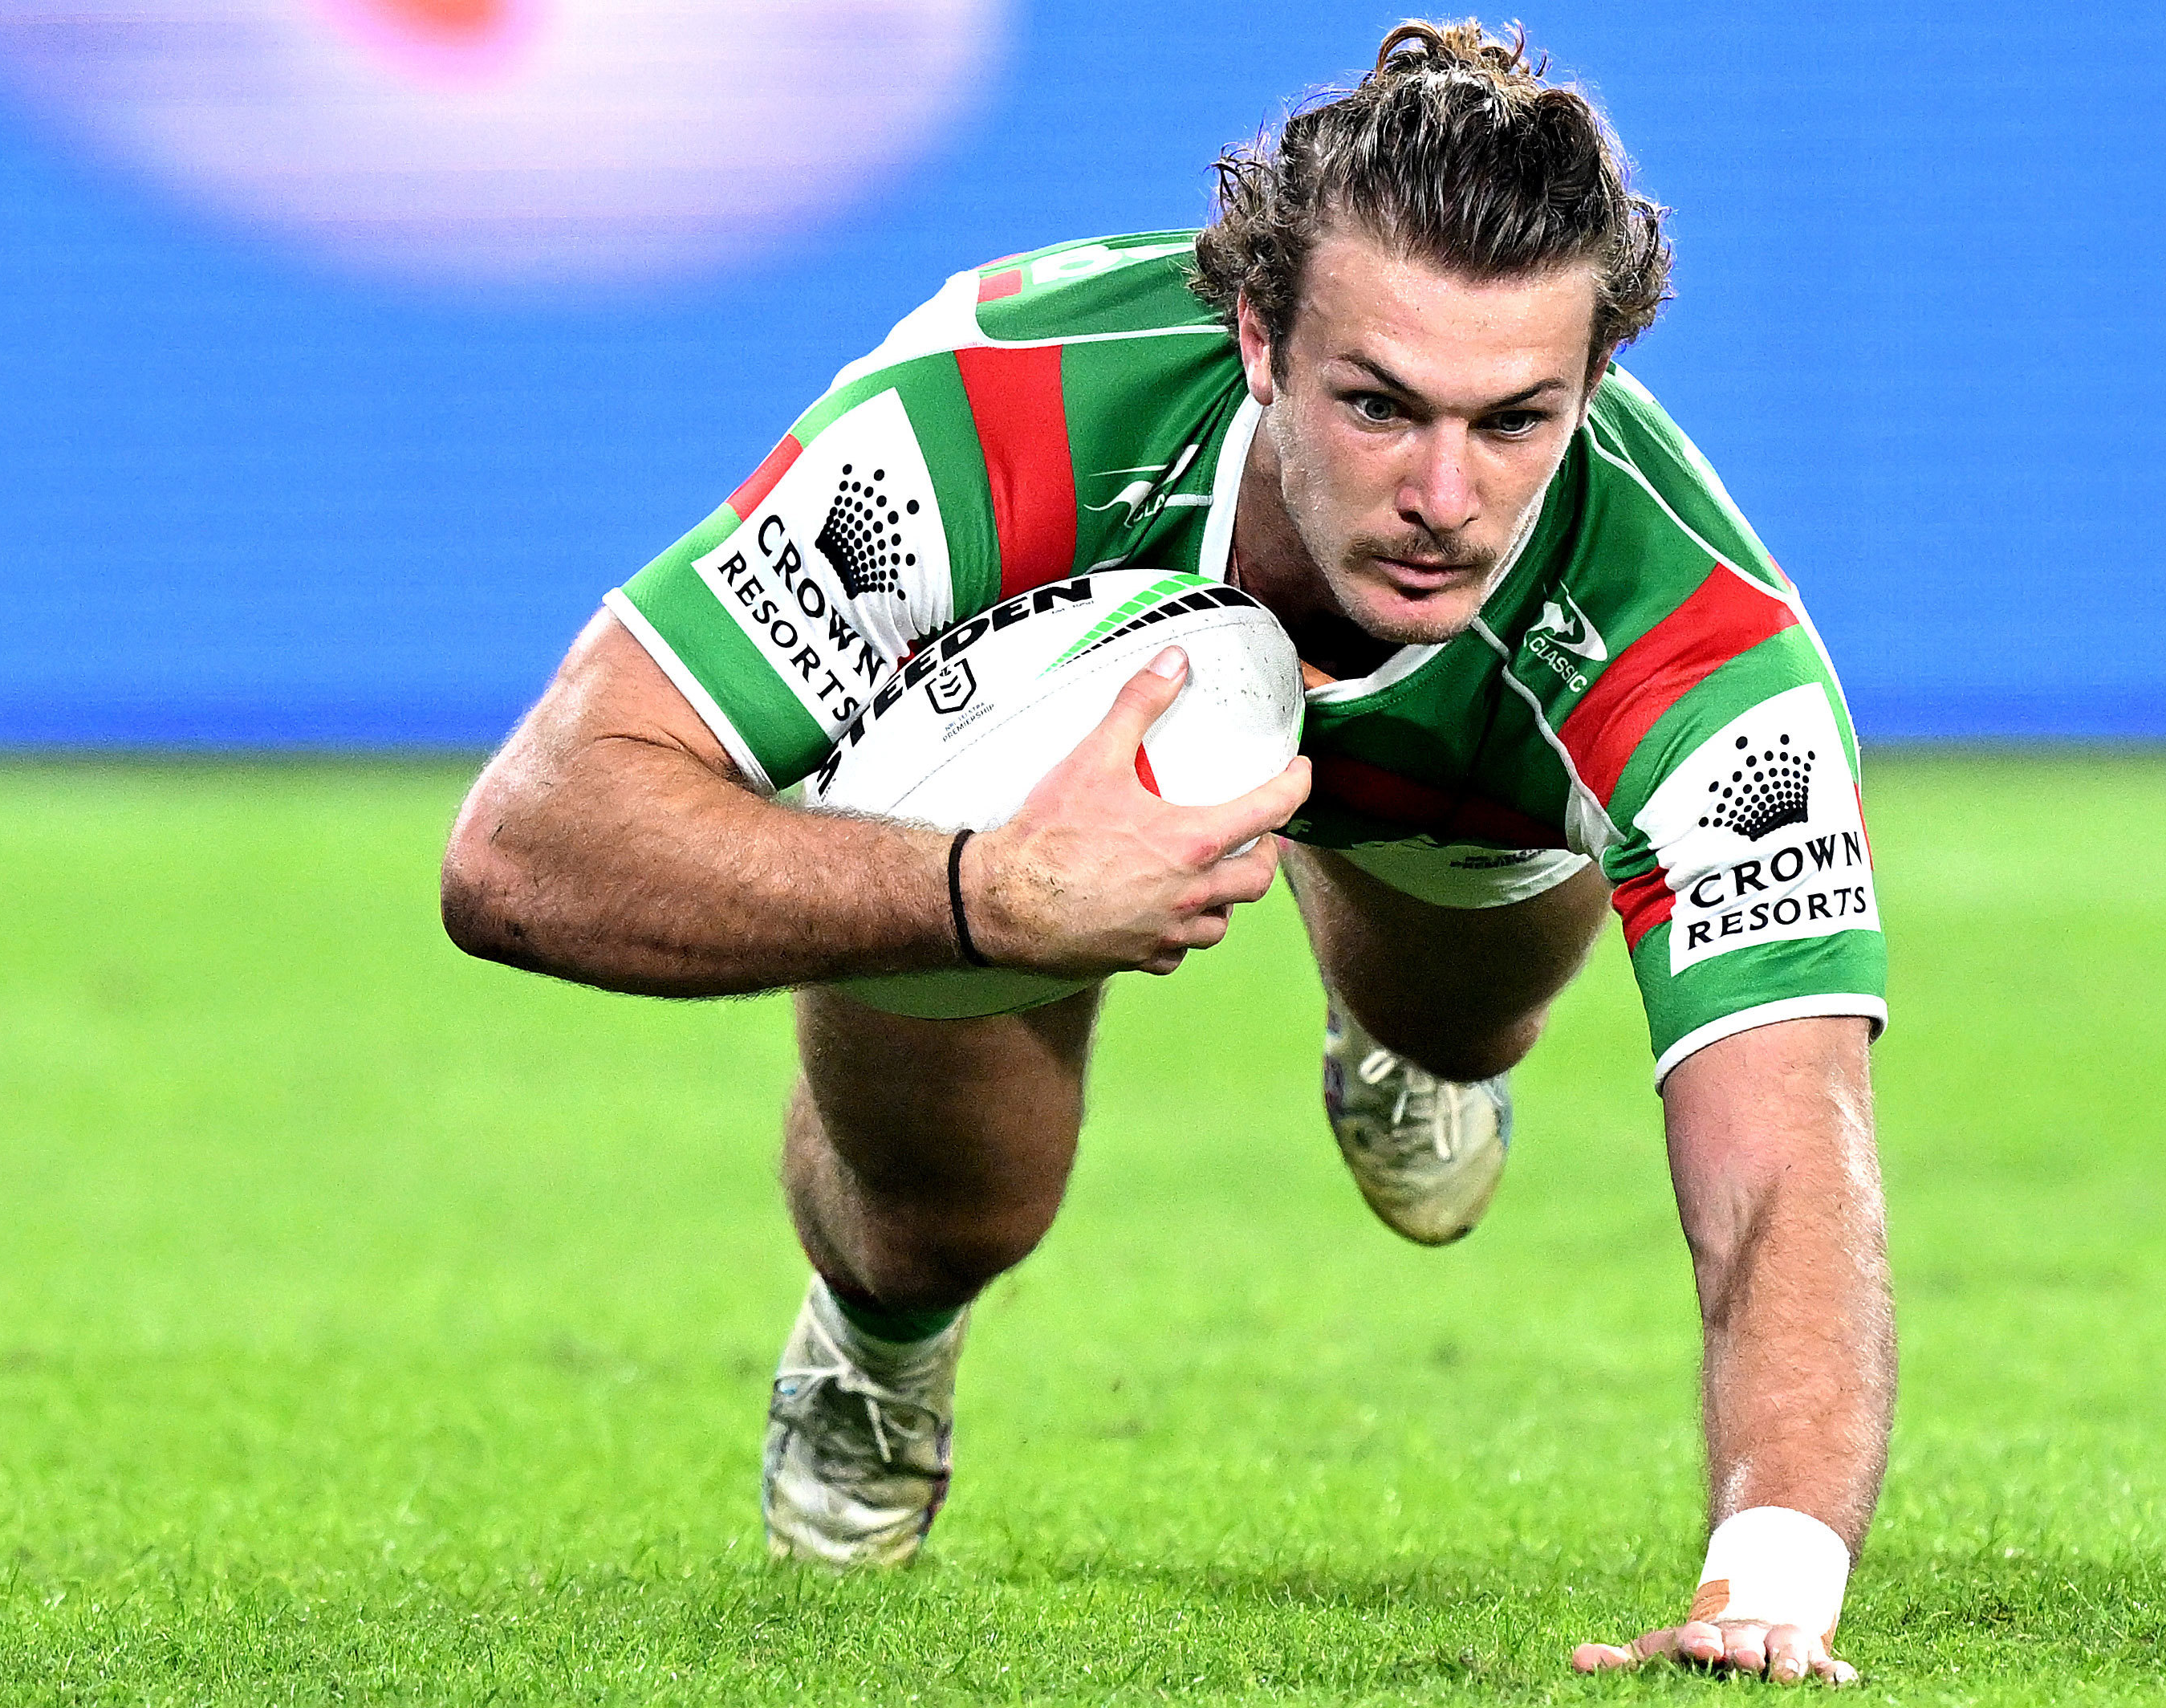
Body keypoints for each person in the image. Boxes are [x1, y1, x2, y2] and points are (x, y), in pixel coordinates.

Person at [441, 19, 1892, 1686]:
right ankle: (879, 1340)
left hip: (1472, 799)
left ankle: (1402, 1042)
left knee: (1463, 1024)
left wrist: (1770, 1574)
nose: (1444, 493)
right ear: (1259, 338)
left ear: (1594, 383)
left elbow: (1786, 1152)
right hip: (1037, 783)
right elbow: (523, 845)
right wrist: (989, 890)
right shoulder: (984, 416)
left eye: (1515, 420)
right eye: (1377, 402)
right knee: (944, 1214)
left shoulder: (1700, 643)